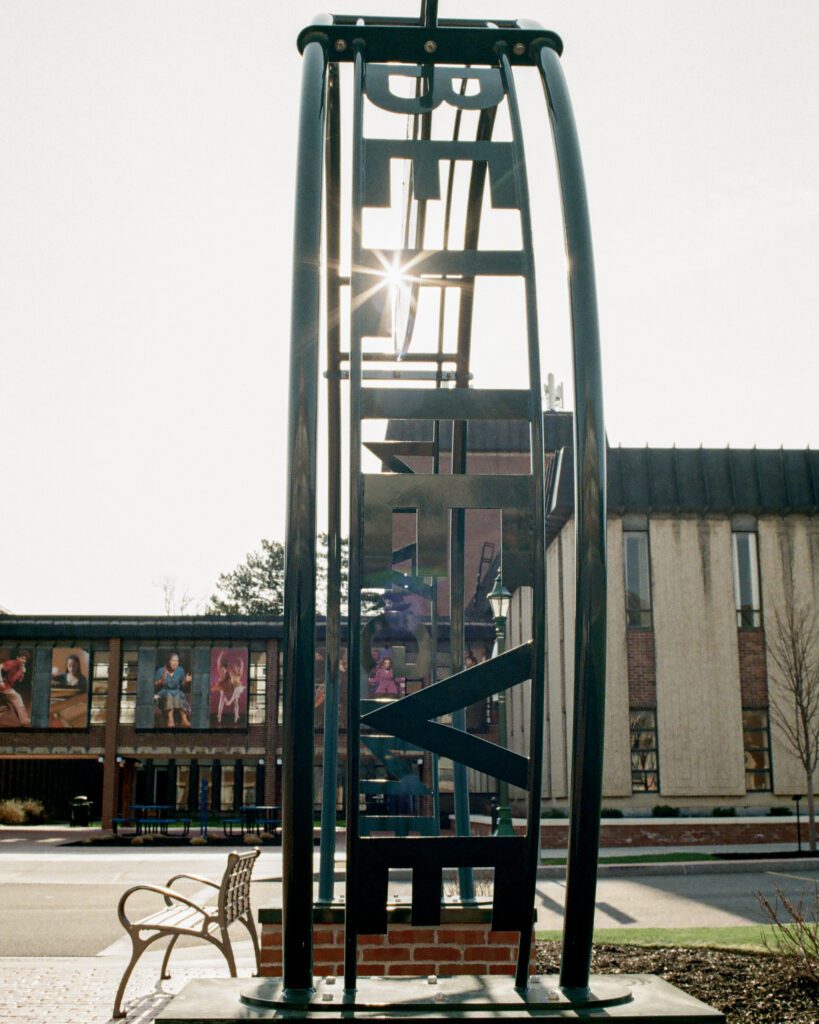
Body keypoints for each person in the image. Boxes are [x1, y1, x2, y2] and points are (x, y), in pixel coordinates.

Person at [154, 652, 192, 728]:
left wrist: (186, 681)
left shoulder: (180, 670)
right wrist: (161, 681)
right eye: (173, 660)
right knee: (171, 694)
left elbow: (182, 685)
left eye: (177, 661)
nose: (175, 663)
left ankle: (184, 720)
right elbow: (154, 685)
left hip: (177, 693)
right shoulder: (161, 670)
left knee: (179, 694)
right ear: (168, 661)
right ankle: (170, 719)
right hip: (163, 693)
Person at [210, 649, 246, 725]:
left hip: (233, 686)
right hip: (225, 684)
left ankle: (236, 714)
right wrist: (220, 657)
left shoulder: (237, 672)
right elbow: (219, 665)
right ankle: (219, 714)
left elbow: (240, 669)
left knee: (235, 700)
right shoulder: (225, 670)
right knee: (222, 697)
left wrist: (241, 663)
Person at [0, 651, 31, 726]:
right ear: (17, 658)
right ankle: (25, 721)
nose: (24, 661)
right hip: (3, 686)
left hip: (7, 687)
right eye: (22, 658)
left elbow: (19, 680)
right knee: (16, 697)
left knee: (7, 706)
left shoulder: (21, 667)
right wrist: (0, 681)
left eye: (25, 659)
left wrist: (22, 672)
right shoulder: (12, 663)